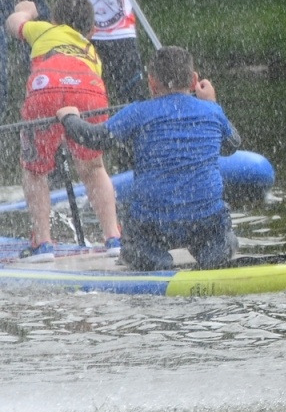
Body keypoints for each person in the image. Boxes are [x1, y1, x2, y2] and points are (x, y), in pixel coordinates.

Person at [56, 46, 243, 271]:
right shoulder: (212, 111)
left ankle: (153, 260)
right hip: (204, 223)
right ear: (194, 80)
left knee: (137, 248)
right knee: (225, 240)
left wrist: (69, 118)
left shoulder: (138, 112)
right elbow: (231, 145)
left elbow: (95, 139)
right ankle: (213, 253)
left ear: (152, 83)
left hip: (154, 225)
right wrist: (212, 103)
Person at [5, 0, 121, 258]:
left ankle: (43, 242)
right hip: (89, 90)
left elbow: (13, 24)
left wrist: (26, 12)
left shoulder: (44, 29)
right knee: (93, 167)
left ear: (55, 20)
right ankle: (113, 236)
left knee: (36, 170)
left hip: (45, 88)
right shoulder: (90, 50)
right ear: (91, 31)